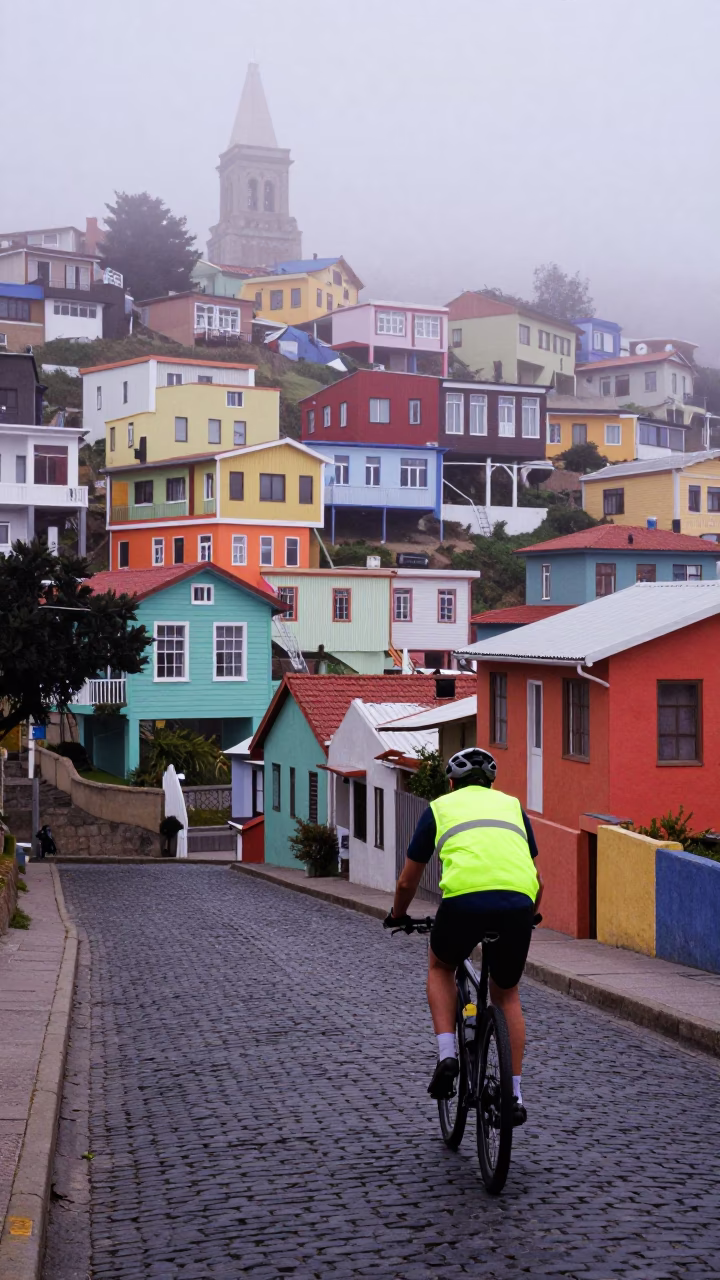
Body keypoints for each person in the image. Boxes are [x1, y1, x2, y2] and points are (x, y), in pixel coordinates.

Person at [384, 747, 543, 1126]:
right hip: (518, 904)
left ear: (451, 783)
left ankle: (447, 1055)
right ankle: (514, 1096)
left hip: (463, 904)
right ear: (492, 782)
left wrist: (398, 915)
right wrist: (529, 915)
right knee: (506, 993)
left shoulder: (440, 808)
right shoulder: (513, 807)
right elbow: (537, 879)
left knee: (441, 965)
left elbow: (408, 879)